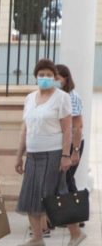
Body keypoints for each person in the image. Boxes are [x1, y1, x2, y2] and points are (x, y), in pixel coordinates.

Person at [15, 59, 86, 246]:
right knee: (30, 194)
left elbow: (67, 130)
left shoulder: (62, 97)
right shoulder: (30, 98)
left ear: (54, 78)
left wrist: (66, 155)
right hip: (33, 153)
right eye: (41, 75)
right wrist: (19, 155)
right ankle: (37, 236)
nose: (44, 78)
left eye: (48, 75)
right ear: (35, 77)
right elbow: (25, 129)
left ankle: (75, 233)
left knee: (55, 195)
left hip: (53, 153)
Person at [55, 64, 85, 204]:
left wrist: (75, 151)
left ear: (65, 79)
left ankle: (77, 213)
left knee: (67, 179)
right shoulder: (57, 96)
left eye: (57, 78)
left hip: (74, 144)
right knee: (65, 179)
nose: (54, 81)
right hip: (62, 143)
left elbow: (77, 127)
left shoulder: (72, 97)